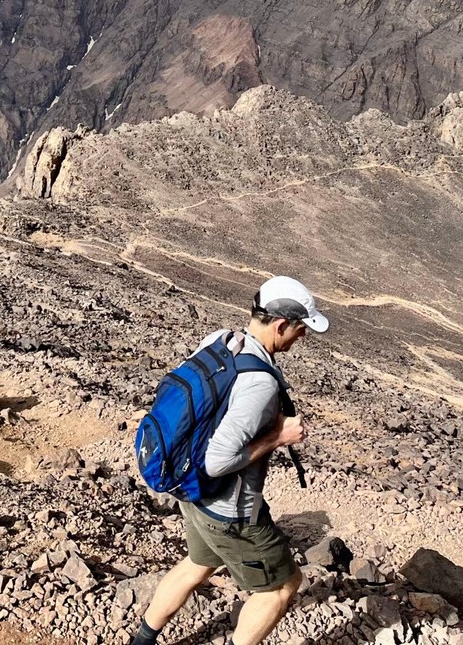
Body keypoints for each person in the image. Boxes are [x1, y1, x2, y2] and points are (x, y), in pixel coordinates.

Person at [130, 276, 329, 645]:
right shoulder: (260, 383)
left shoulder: (221, 340)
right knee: (282, 587)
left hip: (193, 493)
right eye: (300, 328)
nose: (302, 336)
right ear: (280, 325)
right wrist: (278, 437)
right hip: (229, 510)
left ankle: (141, 640)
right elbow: (216, 461)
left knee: (198, 565)